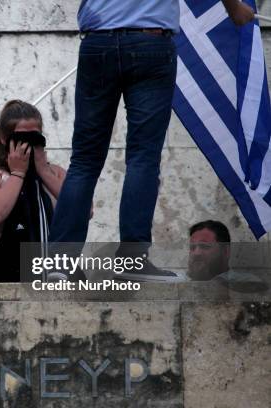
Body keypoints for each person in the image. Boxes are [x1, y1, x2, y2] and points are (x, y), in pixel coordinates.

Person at [49, 0, 255, 277]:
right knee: (143, 157)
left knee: (85, 159)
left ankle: (61, 262)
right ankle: (131, 259)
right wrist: (234, 8)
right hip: (150, 42)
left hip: (97, 42)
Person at [0, 100, 70, 282]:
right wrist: (17, 173)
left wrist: (44, 172)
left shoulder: (56, 173)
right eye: (21, 138)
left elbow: (84, 211)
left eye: (35, 137)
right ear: (4, 138)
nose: (28, 145)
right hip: (3, 271)